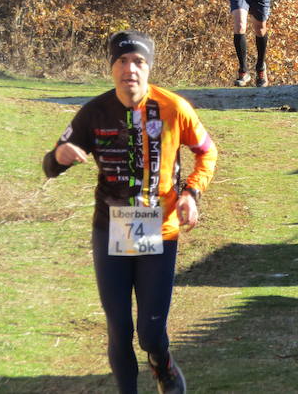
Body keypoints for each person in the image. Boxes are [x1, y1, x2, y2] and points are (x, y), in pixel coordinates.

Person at [42, 31, 218, 394]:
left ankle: (162, 362)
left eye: (138, 61)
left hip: (161, 228)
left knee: (150, 333)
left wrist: (192, 193)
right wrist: (59, 158)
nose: (130, 69)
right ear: (111, 68)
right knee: (119, 328)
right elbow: (51, 163)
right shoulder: (95, 111)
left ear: (149, 67)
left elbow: (207, 151)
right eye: (122, 61)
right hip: (110, 229)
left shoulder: (173, 108)